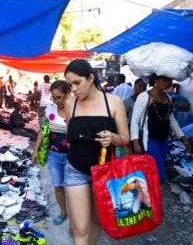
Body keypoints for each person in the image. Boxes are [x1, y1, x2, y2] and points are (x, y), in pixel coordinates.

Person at [64, 59, 129, 245]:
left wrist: (113, 138)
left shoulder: (114, 103)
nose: (74, 89)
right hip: (75, 170)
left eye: (77, 83)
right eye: (70, 85)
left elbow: (126, 138)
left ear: (91, 78)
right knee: (80, 228)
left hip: (104, 172)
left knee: (96, 222)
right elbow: (70, 139)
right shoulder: (71, 104)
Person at [131, 75, 191, 184]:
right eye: (165, 80)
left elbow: (172, 120)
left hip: (164, 141)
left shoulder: (167, 97)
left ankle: (150, 197)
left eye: (170, 80)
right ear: (155, 80)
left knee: (153, 173)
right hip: (150, 141)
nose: (168, 83)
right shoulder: (145, 96)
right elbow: (135, 120)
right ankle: (147, 195)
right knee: (160, 176)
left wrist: (182, 137)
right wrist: (135, 142)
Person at [32, 80, 70, 226]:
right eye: (54, 98)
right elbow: (43, 131)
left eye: (60, 97)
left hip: (72, 156)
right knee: (58, 185)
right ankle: (63, 212)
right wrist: (35, 150)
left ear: (68, 93)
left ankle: (76, 218)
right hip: (53, 156)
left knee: (73, 188)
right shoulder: (50, 109)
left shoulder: (75, 109)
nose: (57, 101)